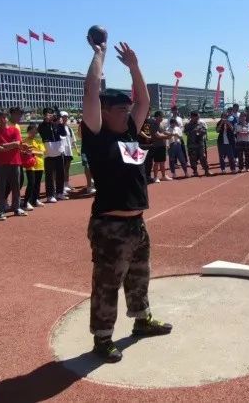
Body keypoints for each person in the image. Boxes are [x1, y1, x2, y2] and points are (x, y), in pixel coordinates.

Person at [80, 39, 171, 363]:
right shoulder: (96, 132)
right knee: (106, 284)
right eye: (121, 109)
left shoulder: (130, 131)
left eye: (128, 110)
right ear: (104, 111)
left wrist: (134, 66)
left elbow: (144, 99)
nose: (128, 113)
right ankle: (102, 338)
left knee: (139, 275)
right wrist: (99, 55)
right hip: (110, 226)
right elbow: (91, 91)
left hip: (136, 224)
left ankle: (142, 320)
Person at [0, 109, 26, 220]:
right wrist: (11, 146)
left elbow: (17, 143)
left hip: (15, 162)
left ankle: (16, 208)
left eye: (5, 117)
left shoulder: (14, 130)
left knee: (16, 187)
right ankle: (0, 211)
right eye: (0, 117)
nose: (3, 119)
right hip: (1, 164)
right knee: (0, 188)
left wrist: (4, 146)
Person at [40, 108, 66, 203]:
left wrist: (60, 123)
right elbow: (43, 133)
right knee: (49, 176)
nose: (51, 116)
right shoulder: (42, 125)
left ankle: (59, 192)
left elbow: (63, 133)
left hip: (59, 152)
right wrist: (47, 122)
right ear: (44, 115)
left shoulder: (56, 124)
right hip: (49, 153)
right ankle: (50, 195)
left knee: (61, 173)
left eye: (52, 114)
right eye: (48, 114)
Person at [22, 124, 46, 209]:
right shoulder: (24, 141)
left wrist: (32, 151)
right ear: (28, 132)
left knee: (37, 184)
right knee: (31, 183)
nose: (33, 133)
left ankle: (35, 199)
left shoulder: (38, 141)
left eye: (34, 132)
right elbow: (23, 152)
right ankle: (26, 202)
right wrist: (33, 151)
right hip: (30, 165)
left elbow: (42, 152)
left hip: (39, 165)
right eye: (31, 131)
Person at [185, 111, 211, 176]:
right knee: (192, 158)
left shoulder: (201, 123)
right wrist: (194, 131)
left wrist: (201, 131)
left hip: (200, 144)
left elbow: (205, 131)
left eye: (198, 118)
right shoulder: (187, 125)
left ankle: (206, 170)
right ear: (192, 117)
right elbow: (186, 133)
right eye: (196, 118)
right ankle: (195, 171)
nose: (197, 119)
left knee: (203, 157)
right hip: (192, 144)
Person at [149, 111, 172, 181]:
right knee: (156, 162)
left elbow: (164, 131)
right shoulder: (153, 124)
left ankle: (163, 176)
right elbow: (158, 135)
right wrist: (167, 137)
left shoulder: (161, 124)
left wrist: (171, 133)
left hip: (162, 145)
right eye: (161, 116)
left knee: (162, 162)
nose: (162, 118)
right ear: (157, 117)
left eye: (162, 116)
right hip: (156, 146)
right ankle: (155, 177)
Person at [60, 111, 76, 194]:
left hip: (69, 151)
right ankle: (61, 185)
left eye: (66, 117)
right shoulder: (58, 128)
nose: (65, 118)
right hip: (62, 151)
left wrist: (76, 150)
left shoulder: (69, 128)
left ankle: (66, 184)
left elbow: (73, 140)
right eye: (63, 117)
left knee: (67, 168)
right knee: (61, 169)